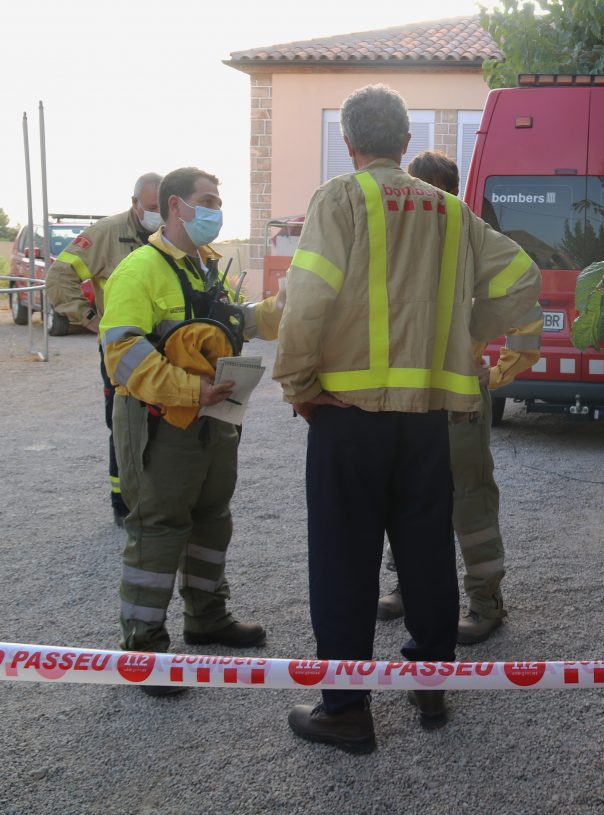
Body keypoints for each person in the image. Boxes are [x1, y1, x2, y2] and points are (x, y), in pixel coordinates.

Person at [274, 85, 540, 754]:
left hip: (347, 419)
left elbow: (307, 298)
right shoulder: (451, 211)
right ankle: (431, 684)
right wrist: (470, 333)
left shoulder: (340, 199)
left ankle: (347, 709)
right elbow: (521, 277)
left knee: (344, 561)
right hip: (428, 422)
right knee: (426, 556)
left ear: (350, 142)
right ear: (403, 140)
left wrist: (299, 383)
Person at [100, 167, 283, 697]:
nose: (216, 210)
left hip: (211, 418)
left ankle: (207, 618)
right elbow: (121, 353)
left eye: (218, 200)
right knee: (158, 528)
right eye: (208, 200)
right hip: (161, 421)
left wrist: (278, 309)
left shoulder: (204, 266)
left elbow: (231, 324)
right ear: (176, 206)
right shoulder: (140, 270)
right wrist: (189, 391)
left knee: (211, 518)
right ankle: (143, 649)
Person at [376, 150, 542, 644]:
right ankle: (408, 584)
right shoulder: (400, 241)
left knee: (470, 501)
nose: (419, 200)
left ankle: (485, 602)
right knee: (407, 498)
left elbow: (525, 296)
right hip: (407, 397)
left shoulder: (468, 237)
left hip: (457, 400)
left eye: (429, 190)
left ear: (446, 193)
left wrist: (492, 364)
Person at [46, 172, 163, 526]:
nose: (157, 214)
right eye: (151, 207)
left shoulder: (172, 234)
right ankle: (123, 502)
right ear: (134, 204)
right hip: (122, 348)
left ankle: (158, 496)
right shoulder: (107, 233)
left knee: (165, 423)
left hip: (167, 346)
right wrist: (87, 317)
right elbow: (60, 274)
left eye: (162, 207)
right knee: (124, 423)